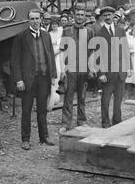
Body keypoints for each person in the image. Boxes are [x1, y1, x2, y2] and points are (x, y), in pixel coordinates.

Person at [11, 9, 57, 150]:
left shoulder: (46, 35)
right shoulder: (21, 37)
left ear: (41, 20)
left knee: (42, 109)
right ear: (28, 21)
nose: (35, 21)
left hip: (43, 78)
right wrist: (19, 79)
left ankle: (44, 137)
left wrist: (53, 76)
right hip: (27, 80)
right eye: (32, 19)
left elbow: (51, 57)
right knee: (26, 110)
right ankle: (25, 139)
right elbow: (15, 60)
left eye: (37, 18)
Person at [59, 8, 94, 132]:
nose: (79, 17)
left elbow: (92, 52)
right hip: (71, 69)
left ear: (85, 17)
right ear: (74, 16)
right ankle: (65, 123)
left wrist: (91, 68)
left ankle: (82, 120)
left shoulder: (89, 31)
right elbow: (62, 51)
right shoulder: (67, 30)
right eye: (78, 14)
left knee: (82, 96)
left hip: (84, 69)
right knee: (68, 97)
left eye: (82, 15)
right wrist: (62, 70)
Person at [96, 6, 131, 128]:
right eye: (105, 15)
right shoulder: (99, 33)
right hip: (107, 73)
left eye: (109, 15)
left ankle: (117, 120)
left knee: (118, 99)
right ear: (102, 17)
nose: (107, 17)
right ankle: (105, 122)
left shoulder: (120, 30)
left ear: (113, 15)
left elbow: (125, 49)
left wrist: (128, 67)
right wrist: (101, 73)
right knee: (105, 99)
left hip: (120, 71)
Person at [49, 17, 63, 89]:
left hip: (60, 52)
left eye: (55, 24)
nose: (54, 26)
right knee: (54, 69)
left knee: (60, 68)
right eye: (53, 24)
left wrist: (58, 51)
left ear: (58, 25)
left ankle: (62, 86)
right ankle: (55, 86)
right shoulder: (49, 34)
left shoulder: (61, 31)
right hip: (52, 53)